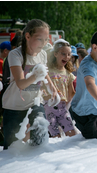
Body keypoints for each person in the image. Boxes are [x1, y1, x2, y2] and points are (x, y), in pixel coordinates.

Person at [2, 19, 59, 149]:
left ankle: (37, 162)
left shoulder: (43, 54)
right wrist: (35, 76)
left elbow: (44, 74)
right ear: (27, 36)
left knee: (40, 132)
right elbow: (21, 84)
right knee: (12, 149)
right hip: (14, 106)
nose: (44, 43)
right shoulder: (14, 54)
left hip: (35, 103)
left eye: (46, 40)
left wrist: (53, 89)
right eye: (40, 39)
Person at [43, 39, 76, 137]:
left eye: (69, 54)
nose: (67, 57)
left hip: (62, 108)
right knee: (55, 136)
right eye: (63, 54)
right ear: (55, 54)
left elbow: (72, 92)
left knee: (72, 134)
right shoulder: (48, 70)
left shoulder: (68, 73)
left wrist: (67, 105)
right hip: (48, 106)